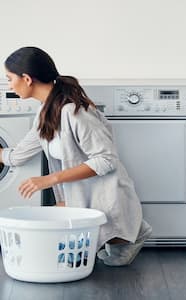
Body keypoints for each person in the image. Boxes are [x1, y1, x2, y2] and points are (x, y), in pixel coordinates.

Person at [0, 46, 152, 266]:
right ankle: (119, 233)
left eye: (9, 79)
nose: (9, 85)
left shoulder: (74, 112)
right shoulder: (44, 113)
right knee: (47, 245)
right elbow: (17, 155)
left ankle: (134, 232)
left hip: (104, 194)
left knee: (65, 258)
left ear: (26, 79)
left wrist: (50, 179)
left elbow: (106, 159)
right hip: (78, 197)